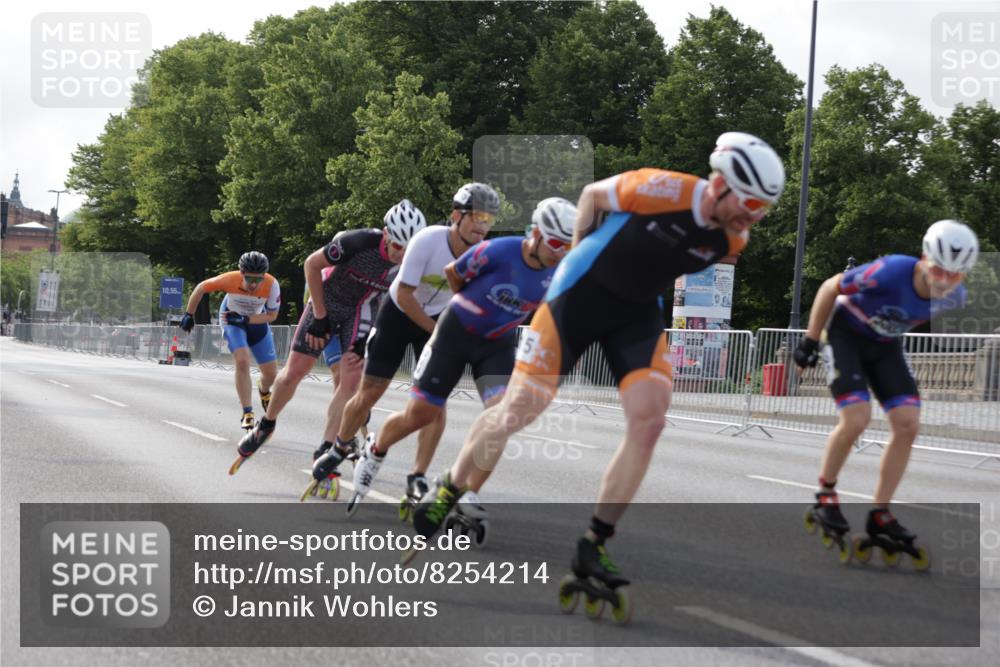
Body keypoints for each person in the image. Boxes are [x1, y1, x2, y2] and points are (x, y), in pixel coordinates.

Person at [412, 133, 785, 605]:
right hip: (578, 296)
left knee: (650, 421)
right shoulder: (664, 188)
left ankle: (594, 544)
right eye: (752, 202)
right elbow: (591, 197)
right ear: (721, 183)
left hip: (634, 316)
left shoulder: (734, 236)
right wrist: (584, 251)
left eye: (765, 208)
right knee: (518, 410)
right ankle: (449, 486)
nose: (755, 216)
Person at [347, 197, 577, 521]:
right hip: (454, 334)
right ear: (536, 233)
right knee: (421, 414)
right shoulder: (498, 251)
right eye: (555, 243)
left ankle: (466, 490)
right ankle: (376, 448)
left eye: (568, 246)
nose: (559, 252)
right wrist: (471, 305)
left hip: (495, 345)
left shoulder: (559, 272)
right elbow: (454, 275)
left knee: (502, 418)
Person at [793, 219, 978, 561]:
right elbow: (829, 288)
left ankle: (881, 512)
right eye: (939, 270)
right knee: (857, 419)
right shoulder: (892, 270)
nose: (945, 281)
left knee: (908, 425)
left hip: (884, 346)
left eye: (956, 274)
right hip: (845, 335)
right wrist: (809, 340)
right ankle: (826, 494)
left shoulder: (957, 296)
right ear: (925, 258)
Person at [307, 183, 501, 499]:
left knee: (434, 404)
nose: (482, 226)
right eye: (476, 217)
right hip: (398, 315)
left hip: (436, 320)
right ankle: (341, 447)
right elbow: (406, 296)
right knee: (370, 392)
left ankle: (418, 475)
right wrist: (439, 334)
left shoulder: (485, 255)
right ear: (456, 215)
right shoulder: (427, 241)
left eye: (488, 220)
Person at [231, 200, 425, 476]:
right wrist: (320, 316)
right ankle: (267, 424)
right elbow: (311, 264)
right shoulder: (358, 242)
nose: (401, 254)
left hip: (361, 310)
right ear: (385, 234)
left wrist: (369, 335)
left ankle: (325, 448)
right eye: (397, 246)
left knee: (351, 381)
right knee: (295, 372)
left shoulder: (413, 262)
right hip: (328, 300)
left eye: (409, 249)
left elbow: (393, 299)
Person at [180, 252, 280, 429]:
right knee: (242, 361)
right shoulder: (229, 279)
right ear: (241, 273)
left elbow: (272, 315)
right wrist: (189, 313)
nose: (254, 284)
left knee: (271, 374)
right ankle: (247, 411)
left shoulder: (272, 285)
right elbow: (201, 287)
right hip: (231, 320)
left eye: (259, 279)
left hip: (255, 321)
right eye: (249, 279)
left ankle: (264, 390)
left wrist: (247, 319)